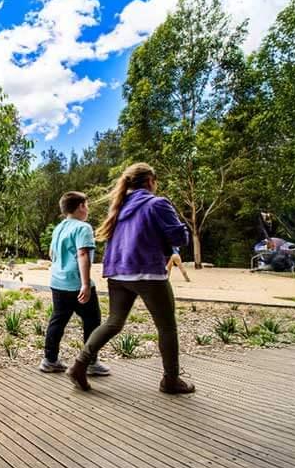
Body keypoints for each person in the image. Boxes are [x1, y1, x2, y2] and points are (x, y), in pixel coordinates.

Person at [66, 163, 195, 395]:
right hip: (147, 272)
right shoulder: (158, 203)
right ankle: (171, 380)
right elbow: (179, 237)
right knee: (167, 327)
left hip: (117, 273)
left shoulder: (119, 207)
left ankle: (79, 365)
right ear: (150, 182)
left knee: (113, 323)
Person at [40, 191, 110, 376]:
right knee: (93, 322)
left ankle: (50, 360)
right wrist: (85, 284)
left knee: (58, 320)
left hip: (58, 281)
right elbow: (83, 254)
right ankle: (90, 362)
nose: (87, 209)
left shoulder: (59, 227)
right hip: (76, 283)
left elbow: (51, 253)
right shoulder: (83, 228)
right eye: (86, 205)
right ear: (80, 206)